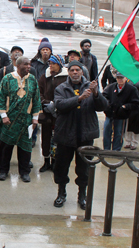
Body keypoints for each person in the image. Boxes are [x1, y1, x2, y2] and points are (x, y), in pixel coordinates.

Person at [53, 60, 107, 209]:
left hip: (85, 135)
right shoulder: (61, 88)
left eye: (77, 70)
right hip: (65, 134)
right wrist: (79, 98)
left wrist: (96, 94)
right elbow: (60, 105)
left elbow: (103, 106)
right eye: (72, 70)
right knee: (61, 167)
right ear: (68, 72)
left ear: (82, 72)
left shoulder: (91, 86)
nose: (75, 73)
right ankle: (61, 193)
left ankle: (82, 195)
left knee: (84, 169)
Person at [0, 56, 41, 183]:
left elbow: (36, 99)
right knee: (5, 147)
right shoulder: (7, 78)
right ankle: (3, 171)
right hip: (9, 120)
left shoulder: (32, 79)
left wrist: (35, 118)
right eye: (25, 64)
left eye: (29, 64)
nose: (29, 67)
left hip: (26, 121)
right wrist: (3, 116)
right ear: (18, 66)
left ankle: (24, 172)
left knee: (25, 148)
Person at [38, 54, 68, 172]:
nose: (50, 66)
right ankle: (46, 161)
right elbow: (38, 91)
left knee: (58, 138)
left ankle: (55, 161)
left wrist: (58, 104)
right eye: (49, 63)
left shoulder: (66, 77)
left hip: (60, 113)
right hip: (47, 113)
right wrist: (46, 102)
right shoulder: (45, 76)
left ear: (59, 64)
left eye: (53, 64)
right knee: (46, 137)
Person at [102, 72, 139, 151]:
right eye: (118, 78)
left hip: (121, 115)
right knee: (106, 132)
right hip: (110, 113)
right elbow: (104, 97)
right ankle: (106, 149)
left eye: (121, 78)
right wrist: (108, 105)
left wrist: (125, 107)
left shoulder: (132, 89)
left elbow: (136, 103)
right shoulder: (111, 87)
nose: (119, 80)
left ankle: (116, 149)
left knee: (118, 133)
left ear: (126, 78)